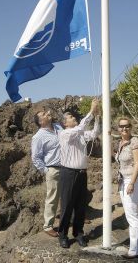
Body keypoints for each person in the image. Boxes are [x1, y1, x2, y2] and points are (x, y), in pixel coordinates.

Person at [58, 99, 100, 248]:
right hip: (68, 174)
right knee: (67, 206)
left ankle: (79, 233)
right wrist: (91, 110)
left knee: (80, 206)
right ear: (65, 123)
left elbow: (95, 133)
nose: (73, 117)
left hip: (82, 173)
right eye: (69, 117)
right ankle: (62, 235)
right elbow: (81, 127)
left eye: (72, 116)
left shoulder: (80, 133)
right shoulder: (65, 134)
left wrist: (97, 116)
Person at [115, 117, 138, 259]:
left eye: (127, 126)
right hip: (122, 181)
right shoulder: (120, 143)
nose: (124, 128)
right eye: (121, 126)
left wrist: (131, 183)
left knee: (132, 216)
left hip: (132, 181)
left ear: (131, 127)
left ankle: (135, 250)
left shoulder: (135, 142)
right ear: (118, 128)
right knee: (132, 214)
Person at [31, 109, 62, 237]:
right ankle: (48, 226)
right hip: (53, 169)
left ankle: (70, 217)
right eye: (43, 114)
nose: (47, 113)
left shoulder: (58, 127)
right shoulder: (38, 137)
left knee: (69, 194)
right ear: (40, 122)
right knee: (52, 198)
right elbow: (35, 157)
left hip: (67, 167)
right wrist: (46, 170)